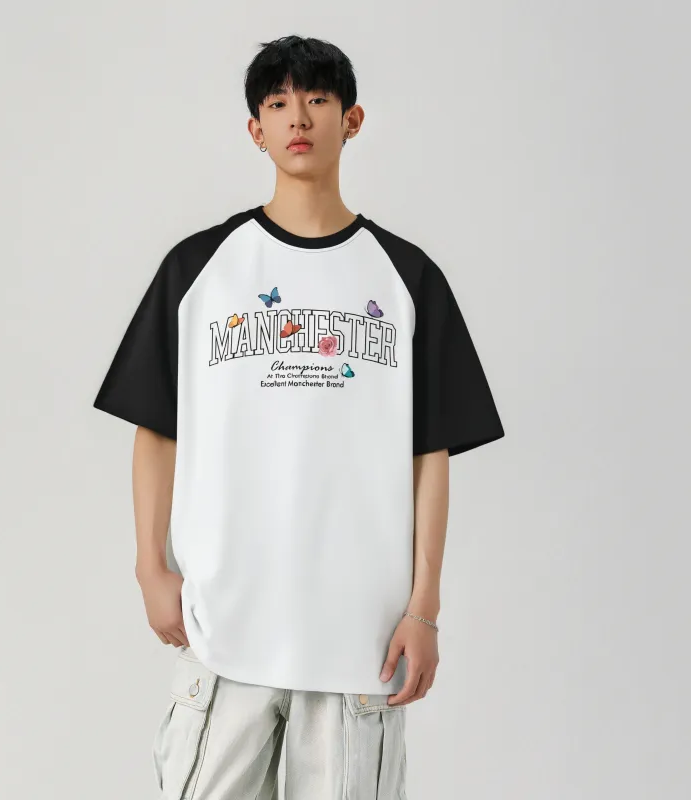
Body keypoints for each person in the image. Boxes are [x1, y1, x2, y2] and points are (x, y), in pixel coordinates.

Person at [92, 34, 504, 799]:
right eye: (278, 103)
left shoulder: (408, 278)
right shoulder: (200, 269)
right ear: (256, 129)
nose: (299, 118)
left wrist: (425, 608)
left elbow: (430, 455)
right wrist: (150, 565)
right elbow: (156, 427)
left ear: (353, 119)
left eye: (317, 99)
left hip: (360, 642)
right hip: (224, 630)